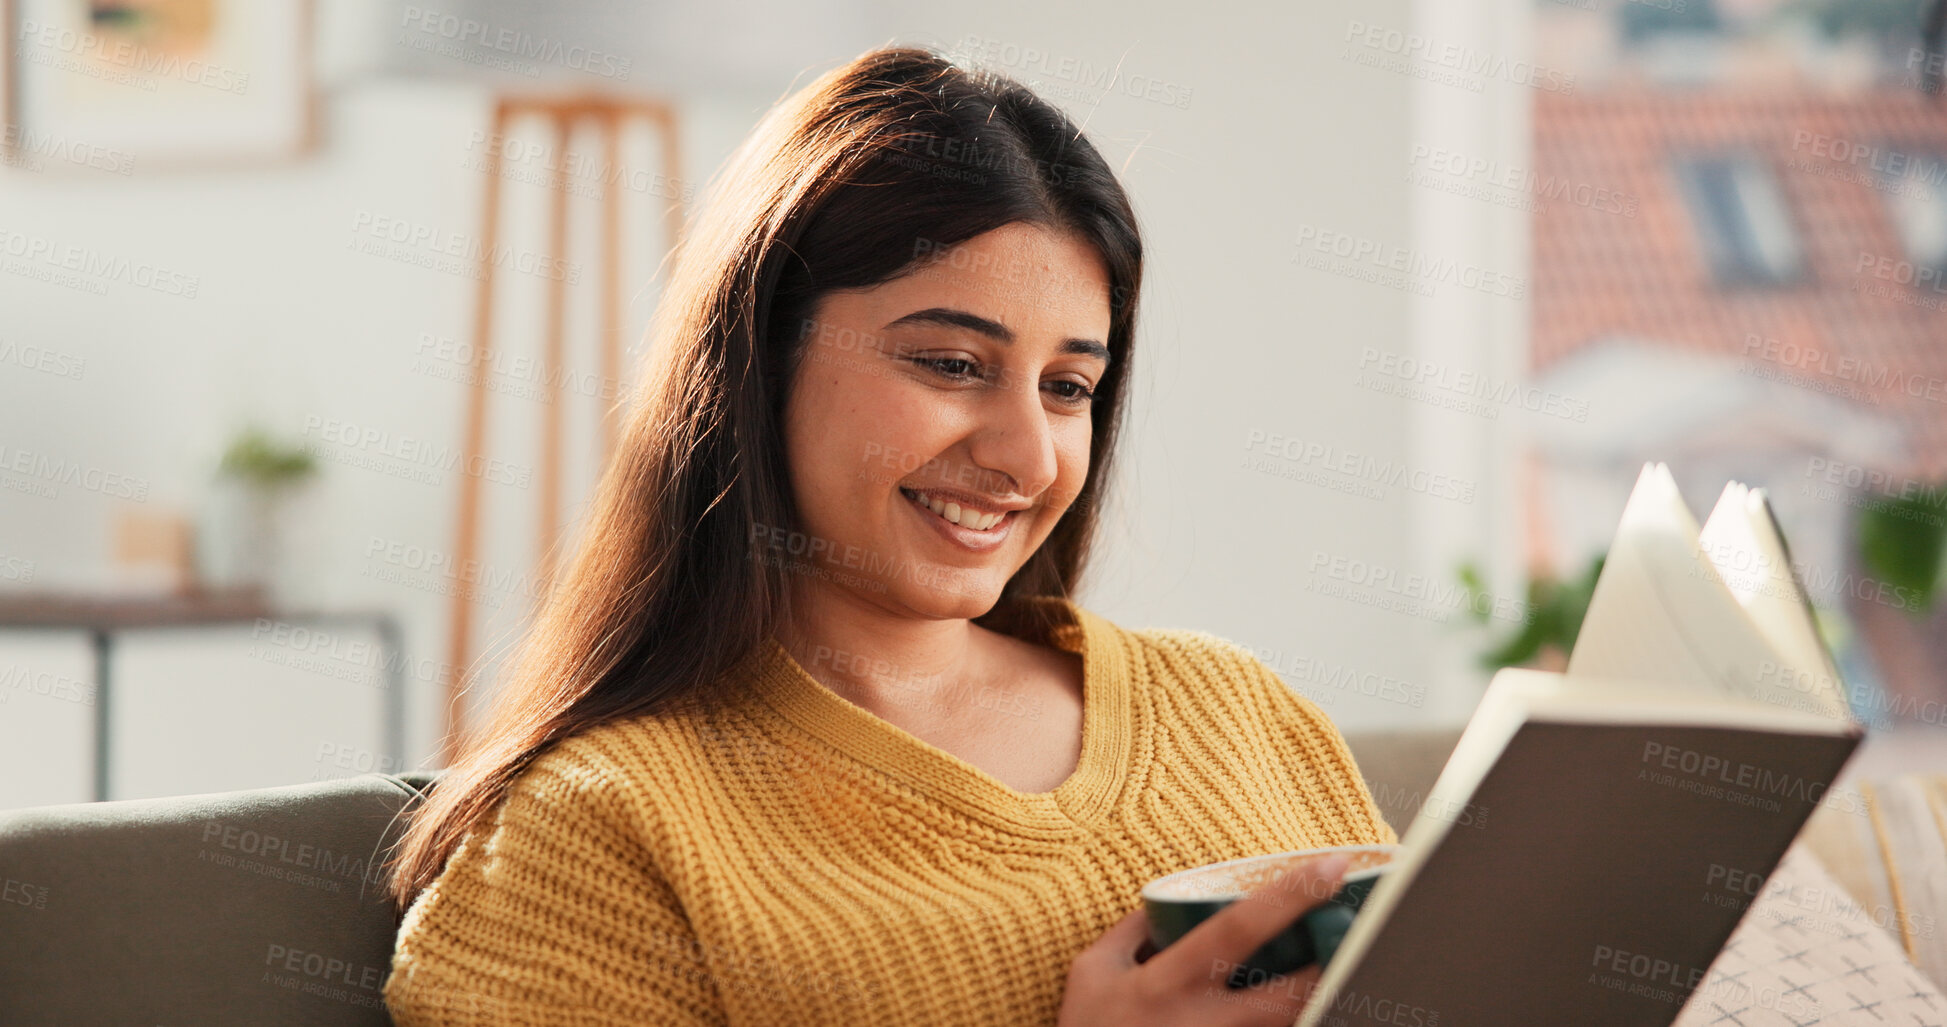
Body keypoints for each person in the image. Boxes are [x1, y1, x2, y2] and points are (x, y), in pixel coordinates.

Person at [383, 44, 1396, 1027]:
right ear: (763, 357)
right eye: (952, 364)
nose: (1030, 459)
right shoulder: (602, 837)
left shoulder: (1241, 716)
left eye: (1068, 387)